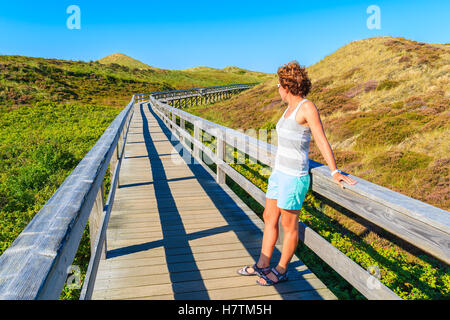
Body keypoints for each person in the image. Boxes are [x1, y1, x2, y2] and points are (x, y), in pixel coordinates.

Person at [237, 61, 358, 286]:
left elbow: (321, 139)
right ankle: (262, 264)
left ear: (287, 86)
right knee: (269, 217)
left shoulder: (306, 107)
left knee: (288, 226)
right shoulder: (288, 109)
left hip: (294, 176)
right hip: (278, 173)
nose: (278, 89)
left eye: (279, 85)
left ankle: (281, 270)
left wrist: (334, 171)